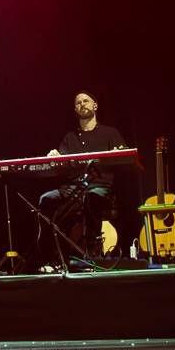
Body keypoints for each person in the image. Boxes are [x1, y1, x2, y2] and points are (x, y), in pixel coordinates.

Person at [36, 90, 126, 265]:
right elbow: (62, 166)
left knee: (91, 197)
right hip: (72, 188)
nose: (82, 104)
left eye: (85, 101)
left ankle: (93, 255)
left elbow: (124, 157)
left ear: (95, 106)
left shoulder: (110, 133)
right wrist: (55, 158)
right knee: (46, 199)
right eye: (78, 102)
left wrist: (117, 154)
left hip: (99, 187)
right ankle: (50, 258)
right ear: (75, 109)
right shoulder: (69, 138)